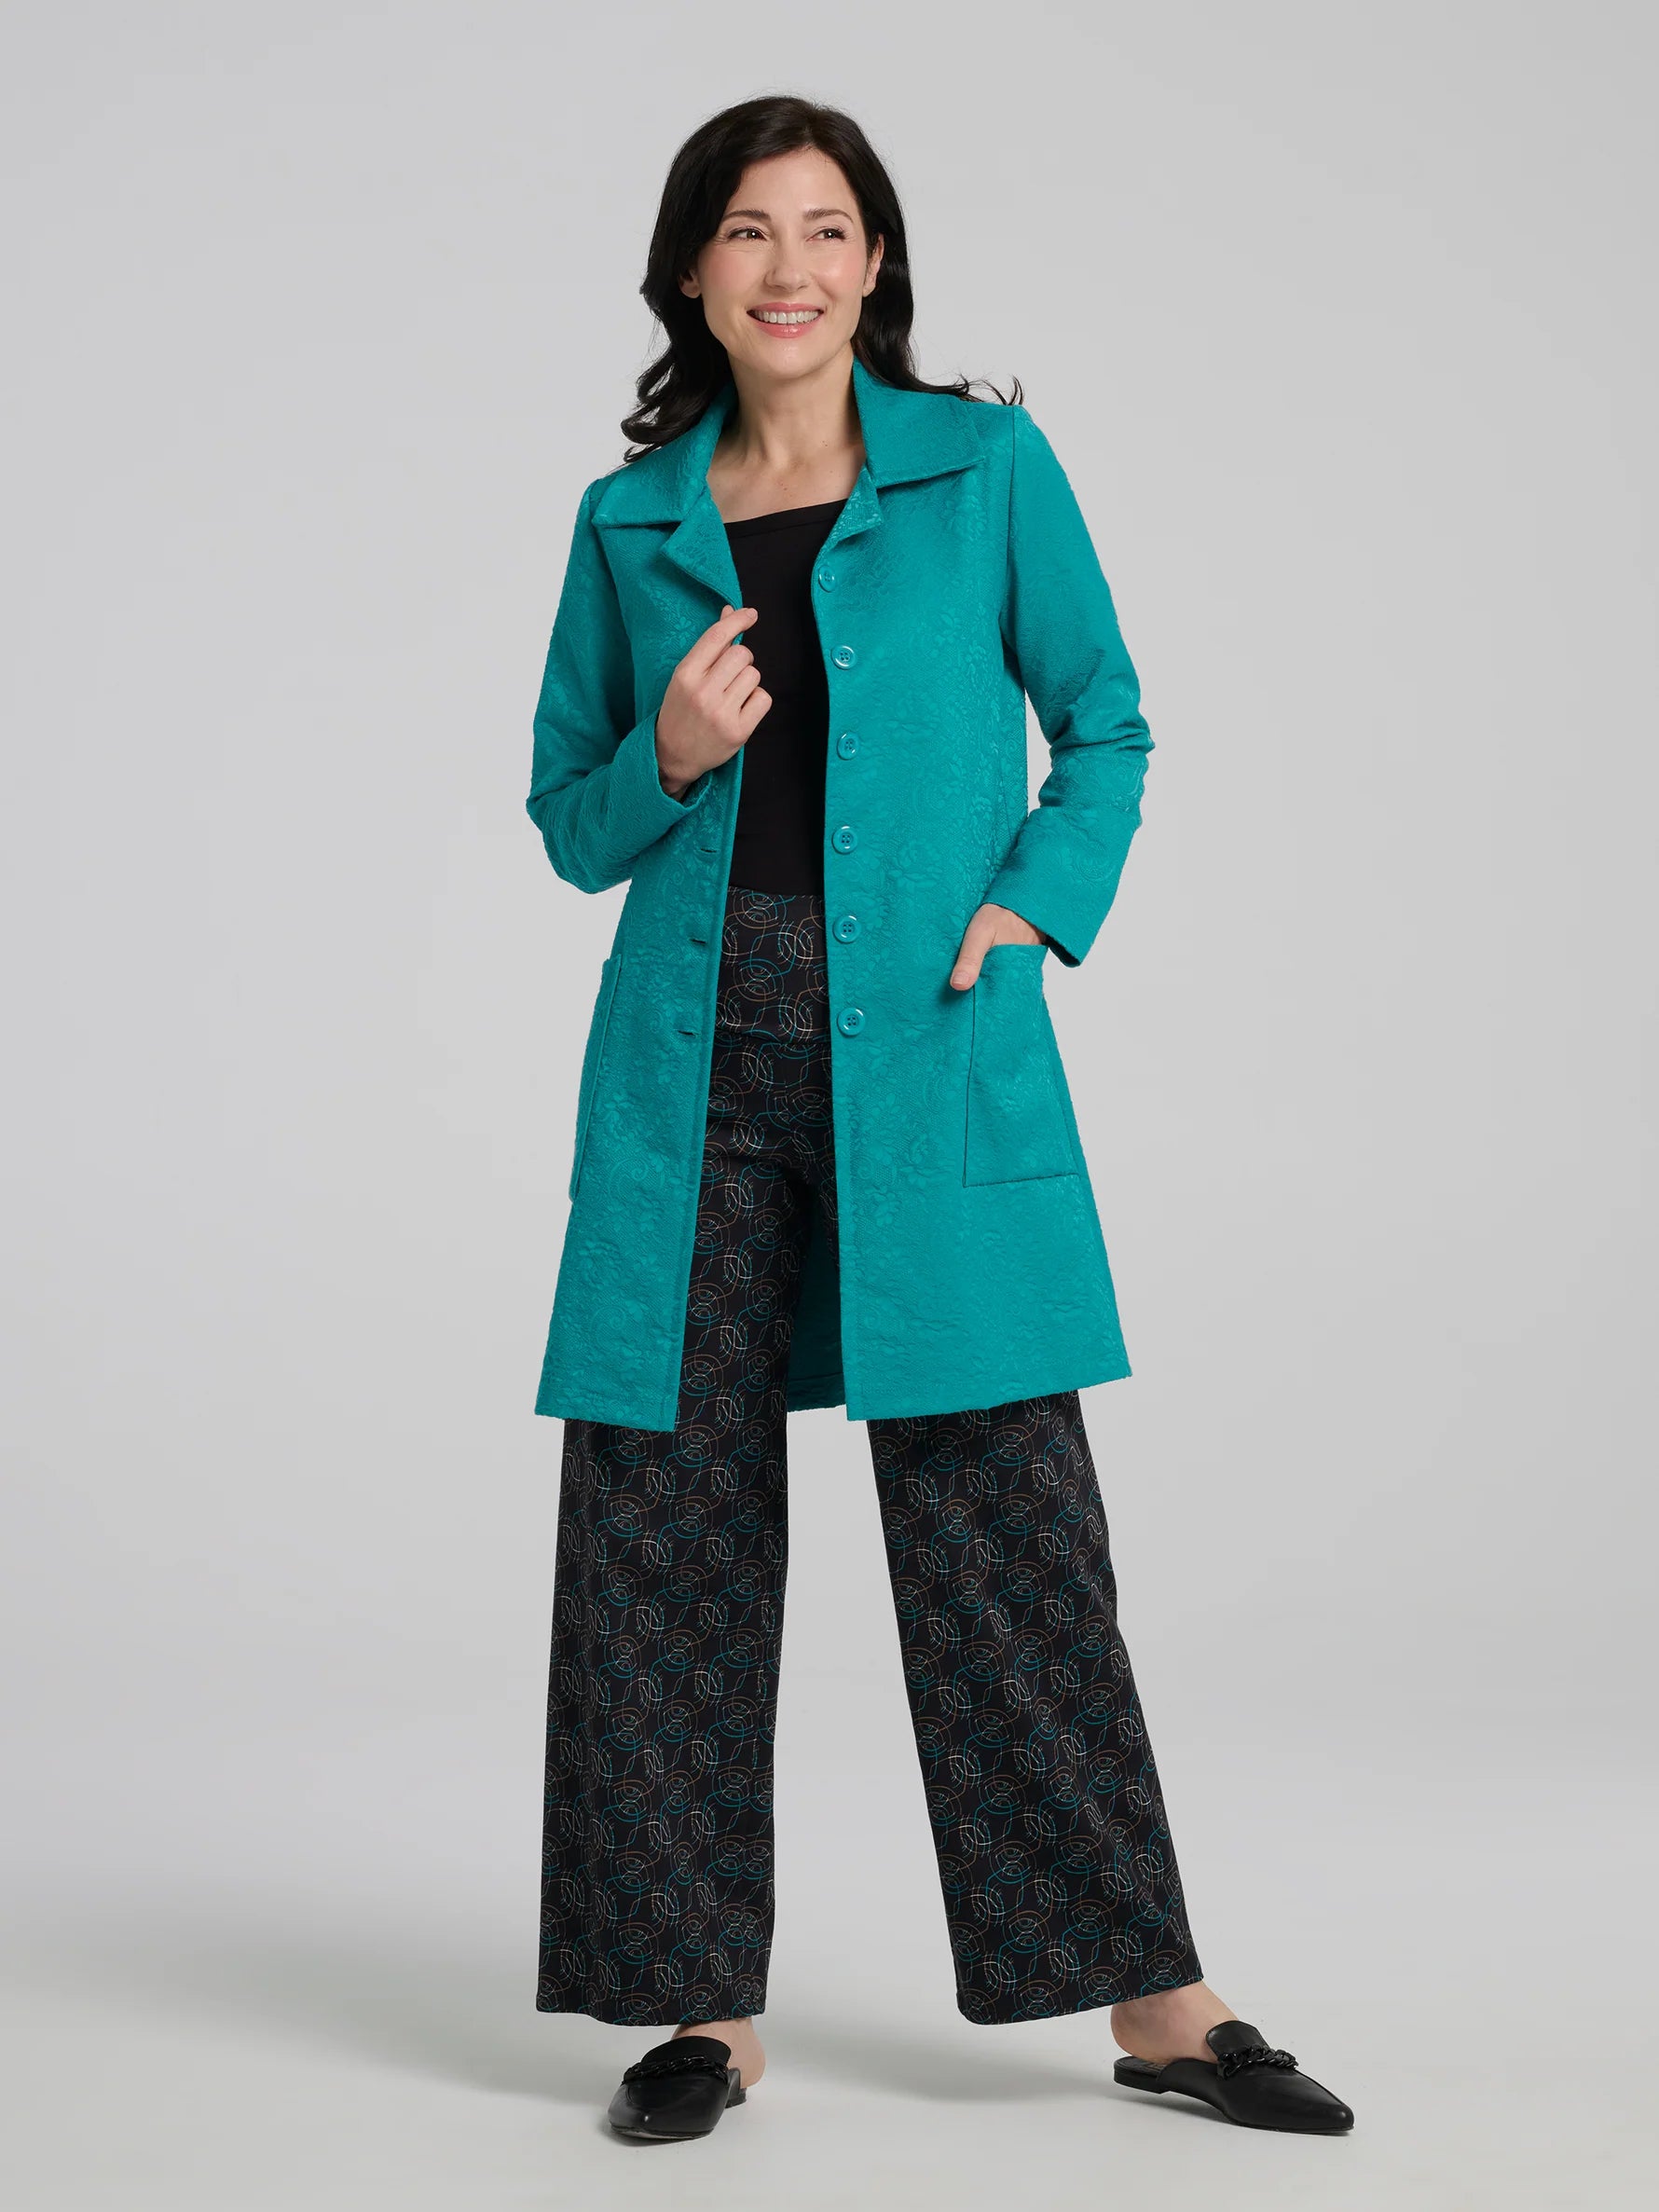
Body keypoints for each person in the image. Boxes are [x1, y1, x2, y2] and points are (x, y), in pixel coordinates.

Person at [523, 94, 1354, 2144]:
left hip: (931, 1033)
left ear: (875, 263)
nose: (789, 267)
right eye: (749, 230)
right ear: (691, 271)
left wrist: (1031, 901)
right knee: (662, 1518)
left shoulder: (984, 470)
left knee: (1004, 1521)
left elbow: (1106, 722)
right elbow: (570, 821)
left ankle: (1157, 1997)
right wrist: (666, 747)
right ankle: (698, 2005)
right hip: (694, 1057)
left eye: (827, 229)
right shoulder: (629, 518)